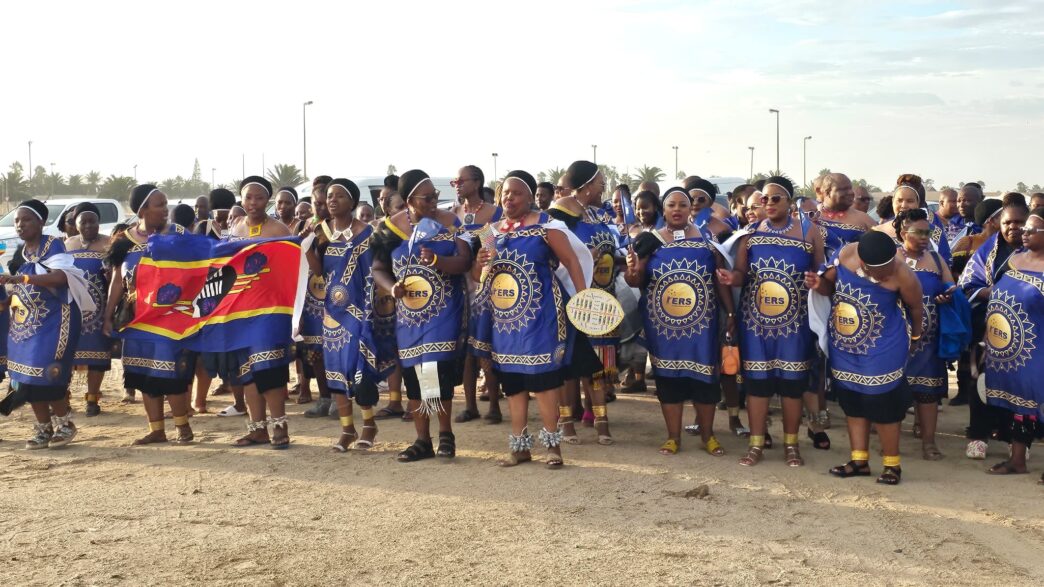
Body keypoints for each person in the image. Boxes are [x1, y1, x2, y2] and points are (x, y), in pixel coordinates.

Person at [475, 170, 589, 467]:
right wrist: (480, 262)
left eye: (516, 193)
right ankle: (520, 447)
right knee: (513, 382)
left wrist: (583, 299)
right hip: (505, 320)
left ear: (530, 198)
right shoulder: (490, 232)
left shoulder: (547, 226)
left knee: (545, 380)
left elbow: (571, 261)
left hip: (542, 316)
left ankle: (553, 446)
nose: (509, 198)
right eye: (505, 193)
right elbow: (480, 276)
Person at [719, 176, 828, 466]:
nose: (768, 203)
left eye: (775, 198)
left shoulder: (809, 232)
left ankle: (792, 445)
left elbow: (822, 274)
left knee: (792, 385)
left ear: (790, 202)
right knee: (757, 384)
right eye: (764, 199)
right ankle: (756, 444)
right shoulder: (750, 233)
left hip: (796, 324)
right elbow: (741, 273)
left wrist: (817, 281)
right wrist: (731, 278)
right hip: (755, 323)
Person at [806, 231, 923, 485]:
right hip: (845, 346)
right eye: (880, 272)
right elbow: (828, 287)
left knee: (883, 403)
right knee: (853, 400)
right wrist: (817, 284)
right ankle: (859, 461)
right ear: (863, 264)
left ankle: (892, 465)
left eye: (889, 268)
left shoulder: (903, 274)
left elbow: (916, 308)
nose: (886, 274)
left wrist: (915, 338)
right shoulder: (846, 255)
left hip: (883, 347)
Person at [625, 187, 735, 456]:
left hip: (703, 326)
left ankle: (708, 437)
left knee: (705, 381)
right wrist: (632, 270)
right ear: (663, 210)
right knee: (668, 381)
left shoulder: (707, 239)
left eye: (682, 205)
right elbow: (635, 281)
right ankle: (673, 437)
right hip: (663, 327)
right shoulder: (649, 240)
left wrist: (730, 313)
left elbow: (720, 279)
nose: (677, 209)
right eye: (671, 205)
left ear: (690, 210)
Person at [371, 169, 471, 462]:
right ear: (409, 200)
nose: (433, 202)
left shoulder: (450, 222)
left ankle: (446, 434)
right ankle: (422, 440)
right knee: (415, 376)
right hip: (409, 316)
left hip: (443, 312)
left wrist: (438, 260)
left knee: (435, 371)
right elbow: (378, 268)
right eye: (427, 198)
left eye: (435, 196)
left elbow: (465, 261)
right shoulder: (390, 228)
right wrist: (392, 288)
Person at [104, 185, 195, 445]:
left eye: (166, 204)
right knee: (143, 373)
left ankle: (182, 426)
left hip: (172, 317)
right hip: (137, 318)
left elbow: (200, 266)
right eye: (160, 205)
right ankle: (157, 430)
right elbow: (117, 282)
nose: (166, 209)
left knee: (170, 371)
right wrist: (108, 316)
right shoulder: (124, 241)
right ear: (142, 209)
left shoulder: (179, 234)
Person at [2, 199, 86, 449]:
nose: (20, 225)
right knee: (25, 377)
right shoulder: (23, 252)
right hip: (27, 323)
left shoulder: (53, 245)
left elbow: (60, 278)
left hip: (55, 320)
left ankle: (65, 424)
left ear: (41, 222)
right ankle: (43, 427)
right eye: (17, 221)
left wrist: (21, 278)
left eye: (26, 220)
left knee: (47, 372)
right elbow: (22, 289)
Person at [306, 178, 381, 452]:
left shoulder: (367, 234)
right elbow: (318, 271)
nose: (332, 200)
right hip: (332, 313)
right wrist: (307, 245)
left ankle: (369, 425)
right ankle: (347, 429)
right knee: (335, 370)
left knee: (358, 369)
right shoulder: (322, 232)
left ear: (352, 202)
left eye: (338, 196)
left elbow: (374, 274)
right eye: (329, 196)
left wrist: (370, 311)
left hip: (358, 312)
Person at [549, 160, 617, 445]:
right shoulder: (561, 212)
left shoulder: (595, 213)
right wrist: (585, 255)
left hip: (602, 297)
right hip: (572, 297)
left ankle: (599, 418)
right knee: (569, 363)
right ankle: (566, 422)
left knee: (598, 364)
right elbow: (554, 250)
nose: (604, 188)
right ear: (587, 185)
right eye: (601, 183)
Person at [224, 177, 295, 448]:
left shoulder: (278, 229)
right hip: (240, 310)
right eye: (248, 197)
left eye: (259, 198)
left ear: (268, 201)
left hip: (270, 310)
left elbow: (290, 270)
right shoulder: (236, 228)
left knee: (268, 369)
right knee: (247, 371)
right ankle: (257, 429)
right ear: (241, 199)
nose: (253, 203)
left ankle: (279, 426)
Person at [957, 201, 1028, 459]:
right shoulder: (987, 250)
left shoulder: (1035, 251)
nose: (1013, 227)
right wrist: (991, 292)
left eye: (1019, 222)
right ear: (999, 224)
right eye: (1008, 222)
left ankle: (1014, 438)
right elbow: (967, 283)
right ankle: (978, 435)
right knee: (981, 380)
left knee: (1019, 385)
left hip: (1025, 328)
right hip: (988, 325)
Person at [982, 207, 1044, 480]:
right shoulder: (1015, 259)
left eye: (1031, 229)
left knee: (1037, 402)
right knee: (1021, 406)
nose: (1023, 232)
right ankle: (1017, 460)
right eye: (1024, 228)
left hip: (1038, 348)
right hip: (1010, 349)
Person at [894, 208, 956, 460]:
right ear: (902, 233)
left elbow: (950, 285)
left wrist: (947, 294)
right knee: (894, 391)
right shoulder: (892, 258)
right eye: (918, 232)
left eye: (927, 233)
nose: (924, 238)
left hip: (928, 341)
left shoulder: (936, 258)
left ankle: (929, 442)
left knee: (927, 392)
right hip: (896, 339)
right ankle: (890, 441)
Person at [451, 165, 504, 425]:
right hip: (459, 286)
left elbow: (495, 248)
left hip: (486, 286)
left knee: (485, 348)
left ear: (477, 182)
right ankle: (470, 406)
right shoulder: (454, 213)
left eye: (461, 180)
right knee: (466, 349)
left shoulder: (494, 213)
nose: (457, 185)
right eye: (455, 181)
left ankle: (494, 405)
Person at [193, 188, 239, 415]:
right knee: (205, 354)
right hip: (208, 301)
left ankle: (236, 400)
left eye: (226, 216)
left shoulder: (239, 230)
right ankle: (200, 401)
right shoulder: (204, 229)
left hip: (229, 301)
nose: (223, 220)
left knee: (233, 355)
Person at [65, 202, 112, 417]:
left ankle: (92, 399)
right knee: (66, 354)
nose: (88, 226)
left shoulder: (108, 243)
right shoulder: (68, 244)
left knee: (97, 356)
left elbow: (116, 277)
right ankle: (63, 397)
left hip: (100, 310)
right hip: (71, 309)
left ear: (99, 223)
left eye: (92, 221)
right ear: (75, 224)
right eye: (83, 222)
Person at [873, 176, 951, 265]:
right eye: (899, 200)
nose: (904, 205)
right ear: (893, 202)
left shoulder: (933, 232)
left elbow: (946, 264)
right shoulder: (877, 232)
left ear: (918, 204)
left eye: (910, 201)